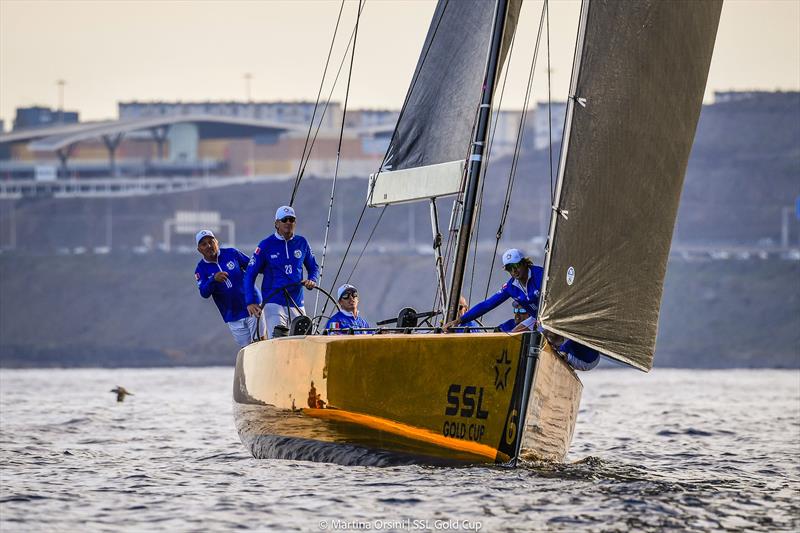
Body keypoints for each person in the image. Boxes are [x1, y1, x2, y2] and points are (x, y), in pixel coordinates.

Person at [244, 206, 319, 338]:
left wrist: (312, 279)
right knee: (279, 339)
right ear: (277, 223)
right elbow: (250, 274)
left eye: (292, 219)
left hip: (297, 301)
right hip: (274, 301)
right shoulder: (266, 245)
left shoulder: (302, 242)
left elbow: (313, 267)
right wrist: (250, 301)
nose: (288, 222)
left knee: (302, 339)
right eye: (285, 220)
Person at [444, 248, 542, 332]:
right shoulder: (511, 287)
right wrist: (458, 321)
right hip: (536, 318)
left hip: (551, 317)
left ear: (524, 263)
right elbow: (487, 305)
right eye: (509, 268)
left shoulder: (540, 275)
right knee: (513, 337)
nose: (514, 271)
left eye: (516, 266)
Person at [194, 229, 263, 347]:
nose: (209, 246)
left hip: (252, 305)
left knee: (260, 344)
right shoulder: (200, 269)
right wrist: (213, 280)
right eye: (204, 244)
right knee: (246, 350)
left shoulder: (232, 253)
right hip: (232, 315)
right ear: (199, 249)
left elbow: (253, 267)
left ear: (216, 242)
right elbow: (204, 293)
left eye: (211, 241)